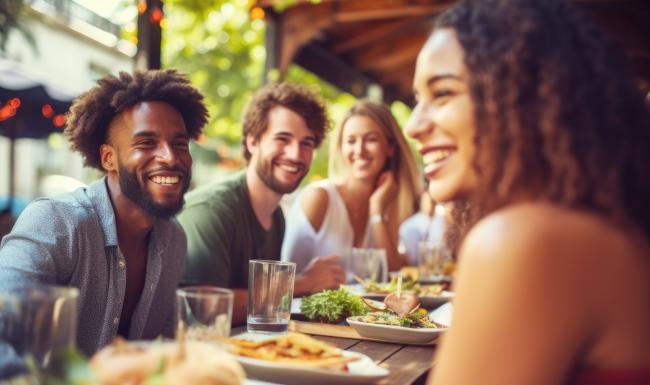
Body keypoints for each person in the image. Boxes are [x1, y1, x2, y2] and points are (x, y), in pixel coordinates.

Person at [405, 0, 650, 384]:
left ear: (523, 95)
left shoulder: (526, 239)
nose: (413, 126)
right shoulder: (614, 231)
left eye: (443, 93)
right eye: (417, 99)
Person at [0, 69, 208, 356]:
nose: (170, 157)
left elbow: (166, 344)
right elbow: (4, 331)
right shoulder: (56, 222)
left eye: (179, 144)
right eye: (146, 143)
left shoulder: (174, 239)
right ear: (109, 158)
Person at [178, 82, 346, 325]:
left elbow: (264, 309)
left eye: (306, 143)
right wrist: (303, 283)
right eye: (282, 139)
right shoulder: (211, 210)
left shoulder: (276, 216)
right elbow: (208, 308)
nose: (295, 154)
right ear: (252, 141)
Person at [282, 99, 421, 275]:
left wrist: (377, 210)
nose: (359, 150)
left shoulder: (388, 203)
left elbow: (392, 275)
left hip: (364, 304)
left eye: (371, 139)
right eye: (351, 141)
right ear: (341, 146)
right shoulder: (319, 198)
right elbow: (283, 279)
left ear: (390, 148)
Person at [398, 189, 447, 265]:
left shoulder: (442, 223)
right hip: (415, 270)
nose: (431, 205)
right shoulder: (409, 226)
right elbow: (411, 259)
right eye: (428, 201)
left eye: (433, 202)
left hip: (438, 268)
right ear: (421, 202)